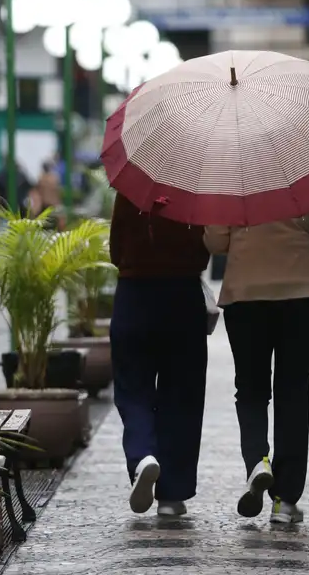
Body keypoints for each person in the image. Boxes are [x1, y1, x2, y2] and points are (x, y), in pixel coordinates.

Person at [205, 204, 309, 525]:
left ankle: (257, 463)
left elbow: (214, 242)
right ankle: (285, 502)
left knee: (250, 388)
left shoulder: (233, 182)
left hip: (246, 297)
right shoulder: (304, 177)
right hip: (304, 297)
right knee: (292, 391)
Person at [109, 194, 209, 517]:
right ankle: (172, 494)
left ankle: (142, 457)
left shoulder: (131, 186)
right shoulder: (194, 185)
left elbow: (115, 248)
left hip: (134, 293)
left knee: (132, 385)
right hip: (183, 296)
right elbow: (204, 251)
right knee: (183, 393)